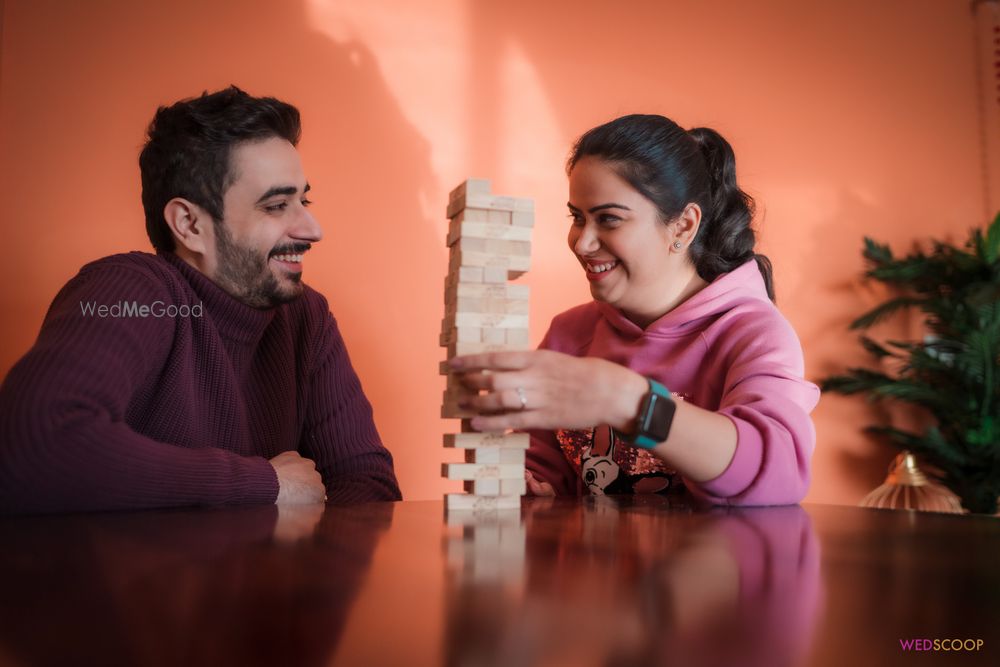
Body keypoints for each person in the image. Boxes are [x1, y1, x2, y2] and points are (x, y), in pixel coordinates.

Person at [0, 86, 401, 513]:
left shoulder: (307, 316)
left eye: (303, 200)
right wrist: (266, 485)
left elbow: (368, 487)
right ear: (189, 224)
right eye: (277, 205)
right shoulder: (135, 290)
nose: (312, 228)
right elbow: (33, 441)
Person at [450, 114, 819, 505]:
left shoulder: (752, 333)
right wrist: (519, 485)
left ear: (683, 226)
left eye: (609, 219)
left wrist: (629, 402)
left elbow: (778, 471)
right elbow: (543, 464)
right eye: (578, 217)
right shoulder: (570, 333)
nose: (582, 243)